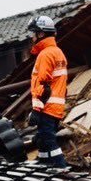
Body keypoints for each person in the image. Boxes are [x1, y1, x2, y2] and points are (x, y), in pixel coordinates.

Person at [26, 15, 68, 168]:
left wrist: (36, 110)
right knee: (43, 140)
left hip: (47, 107)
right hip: (55, 107)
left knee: (49, 141)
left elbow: (42, 84)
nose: (32, 38)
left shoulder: (45, 55)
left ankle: (62, 170)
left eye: (34, 33)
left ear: (41, 34)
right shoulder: (58, 53)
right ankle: (43, 164)